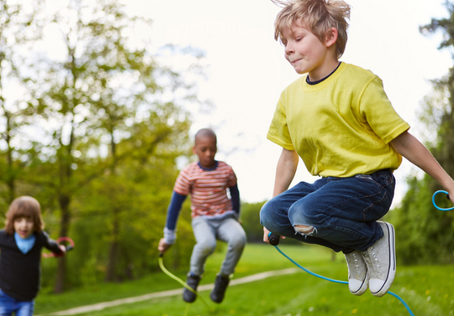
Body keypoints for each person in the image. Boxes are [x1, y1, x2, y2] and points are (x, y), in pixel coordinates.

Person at [260, 0, 454, 298]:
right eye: (284, 42)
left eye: (297, 39)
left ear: (329, 38)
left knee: (304, 212)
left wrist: (448, 182)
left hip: (371, 184)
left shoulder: (360, 84)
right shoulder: (289, 97)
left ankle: (373, 238)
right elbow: (288, 155)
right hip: (328, 186)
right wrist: (275, 215)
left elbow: (400, 139)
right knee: (272, 213)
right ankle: (354, 245)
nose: (287, 48)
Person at [158, 128, 246, 304]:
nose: (209, 154)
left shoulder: (225, 170)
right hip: (202, 219)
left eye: (212, 149)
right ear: (195, 150)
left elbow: (235, 193)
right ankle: (194, 276)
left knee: (239, 238)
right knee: (207, 244)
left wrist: (235, 215)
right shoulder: (188, 173)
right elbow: (175, 206)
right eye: (203, 149)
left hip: (225, 218)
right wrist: (169, 236)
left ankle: (223, 279)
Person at [0, 196, 66, 316]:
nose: (24, 225)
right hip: (4, 295)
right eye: (19, 220)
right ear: (12, 221)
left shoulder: (40, 238)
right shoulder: (2, 237)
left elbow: (52, 245)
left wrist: (60, 249)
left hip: (26, 298)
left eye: (29, 220)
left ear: (36, 221)